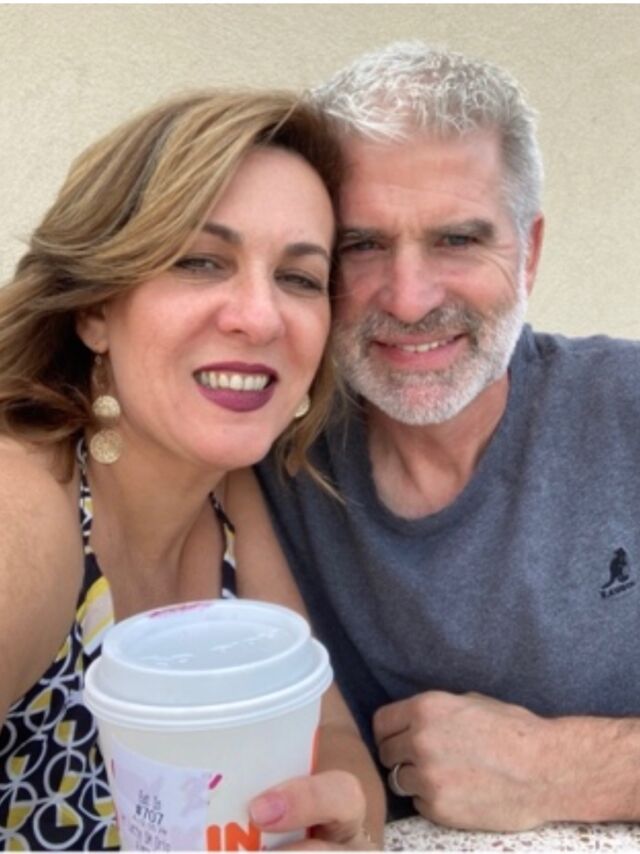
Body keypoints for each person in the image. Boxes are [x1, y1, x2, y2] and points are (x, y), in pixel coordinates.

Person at [239, 41, 640, 831]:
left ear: (528, 254)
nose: (410, 299)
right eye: (362, 245)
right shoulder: (265, 469)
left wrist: (565, 769)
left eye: (457, 239)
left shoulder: (626, 408)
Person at [0, 89, 385, 850]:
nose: (261, 317)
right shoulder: (28, 505)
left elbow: (330, 736)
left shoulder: (226, 492)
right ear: (95, 310)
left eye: (299, 278)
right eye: (201, 261)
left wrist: (342, 823)